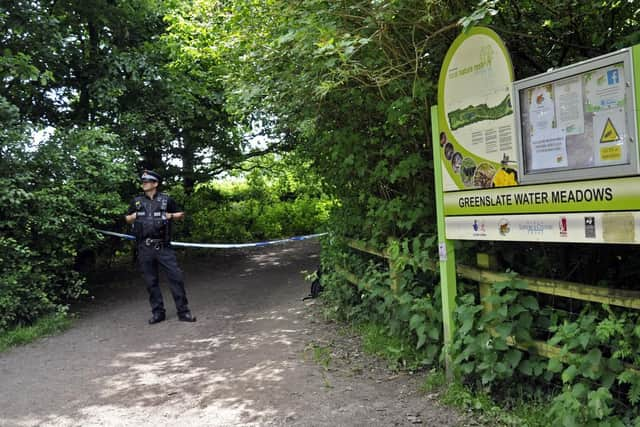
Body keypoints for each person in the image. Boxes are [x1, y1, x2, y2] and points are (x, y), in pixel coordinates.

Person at [125, 170, 196, 324]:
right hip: (144, 247)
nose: (144, 184)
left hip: (164, 247)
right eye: (143, 182)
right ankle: (158, 313)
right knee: (151, 282)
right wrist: (134, 216)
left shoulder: (166, 200)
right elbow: (127, 219)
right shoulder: (136, 201)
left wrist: (170, 215)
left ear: (155, 184)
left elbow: (181, 214)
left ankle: (183, 312)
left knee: (176, 278)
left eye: (147, 182)